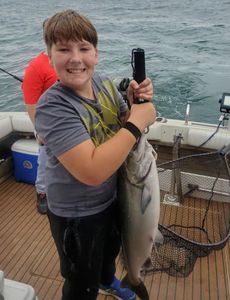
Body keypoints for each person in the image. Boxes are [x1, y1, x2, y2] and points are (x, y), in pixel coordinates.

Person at [35, 9, 156, 300]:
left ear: (96, 54)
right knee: (80, 281)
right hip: (76, 217)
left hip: (112, 200)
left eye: (84, 48)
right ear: (49, 56)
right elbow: (92, 171)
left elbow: (123, 125)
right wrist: (137, 121)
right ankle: (91, 286)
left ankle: (107, 279)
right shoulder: (53, 107)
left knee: (108, 254)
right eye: (63, 49)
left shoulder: (103, 84)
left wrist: (132, 103)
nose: (75, 58)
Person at [21, 48, 58, 214]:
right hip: (47, 124)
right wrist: (39, 130)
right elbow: (31, 104)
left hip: (68, 121)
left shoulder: (67, 62)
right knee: (44, 160)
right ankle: (42, 192)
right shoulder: (36, 67)